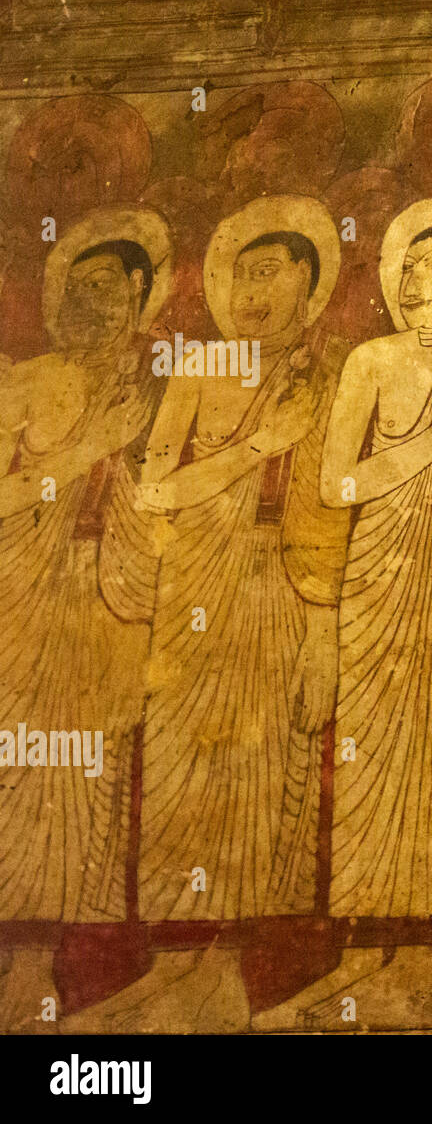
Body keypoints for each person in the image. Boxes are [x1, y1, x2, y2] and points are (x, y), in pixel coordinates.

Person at [71, 196, 347, 1031]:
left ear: (307, 279)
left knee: (267, 776)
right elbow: (155, 487)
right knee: (182, 769)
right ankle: (172, 964)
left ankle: (224, 973)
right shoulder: (199, 369)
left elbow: (329, 509)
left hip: (278, 585)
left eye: (270, 272)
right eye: (237, 275)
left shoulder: (333, 375)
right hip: (190, 580)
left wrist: (323, 627)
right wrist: (256, 450)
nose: (251, 291)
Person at [254, 195, 432, 1030]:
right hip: (378, 569)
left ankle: (422, 968)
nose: (413, 281)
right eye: (405, 266)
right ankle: (366, 956)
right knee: (372, 762)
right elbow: (340, 483)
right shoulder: (372, 362)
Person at [0, 208, 172, 1029]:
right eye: (76, 287)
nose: (88, 304)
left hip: (106, 603)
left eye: (107, 287)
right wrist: (77, 454)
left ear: (142, 294)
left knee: (85, 777)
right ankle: (20, 960)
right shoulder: (25, 381)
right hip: (19, 601)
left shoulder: (162, 387)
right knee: (20, 774)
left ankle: (62, 964)